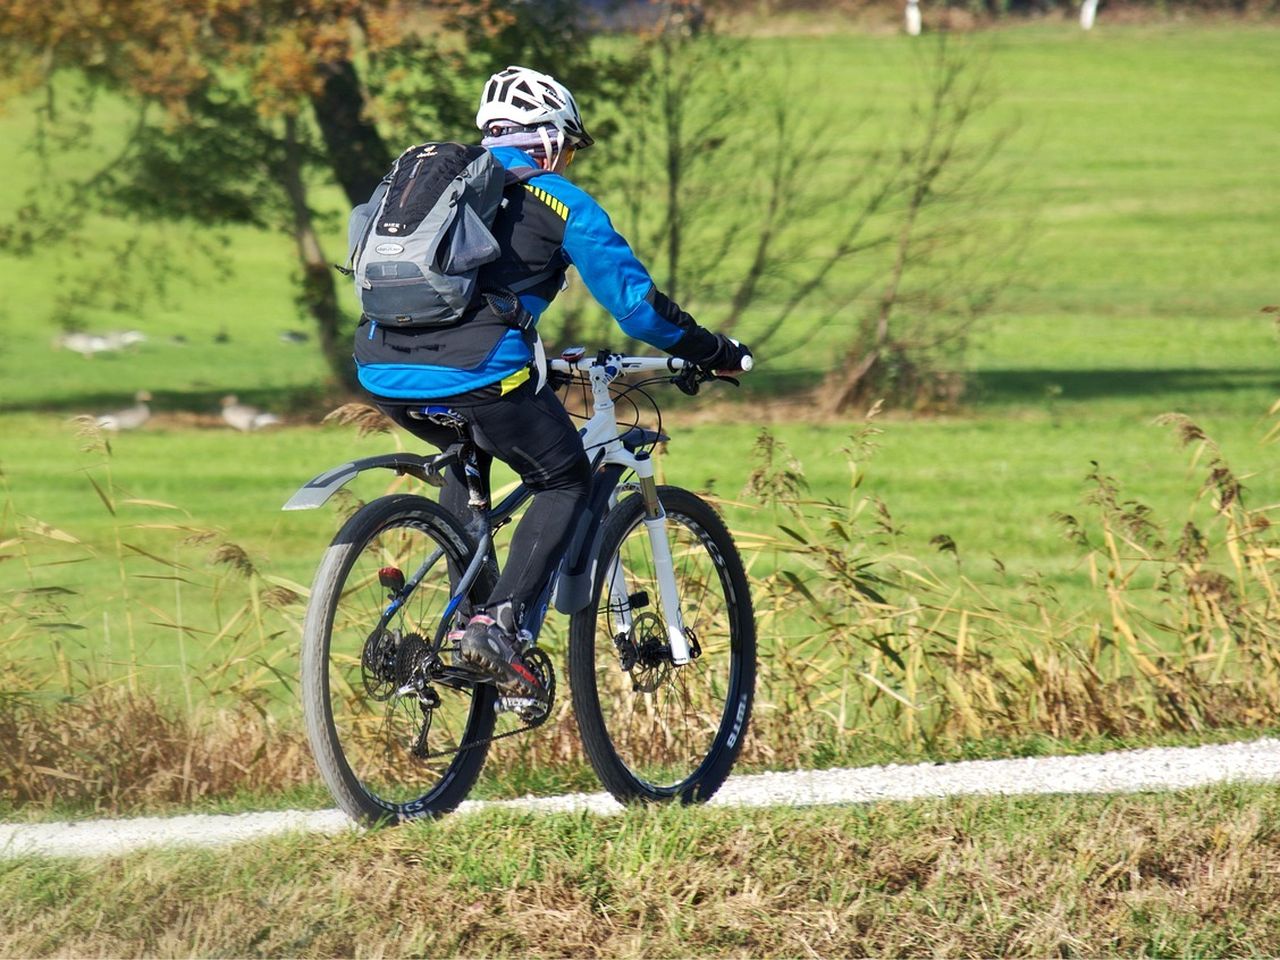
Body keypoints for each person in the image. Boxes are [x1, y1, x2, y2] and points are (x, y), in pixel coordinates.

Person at [354, 65, 752, 701]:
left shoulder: (434, 190)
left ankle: (458, 628)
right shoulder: (559, 201)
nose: (566, 158)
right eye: (566, 145)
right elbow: (638, 308)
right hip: (483, 373)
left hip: (380, 370)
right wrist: (713, 351)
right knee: (562, 477)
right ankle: (498, 622)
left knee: (469, 453)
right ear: (546, 140)